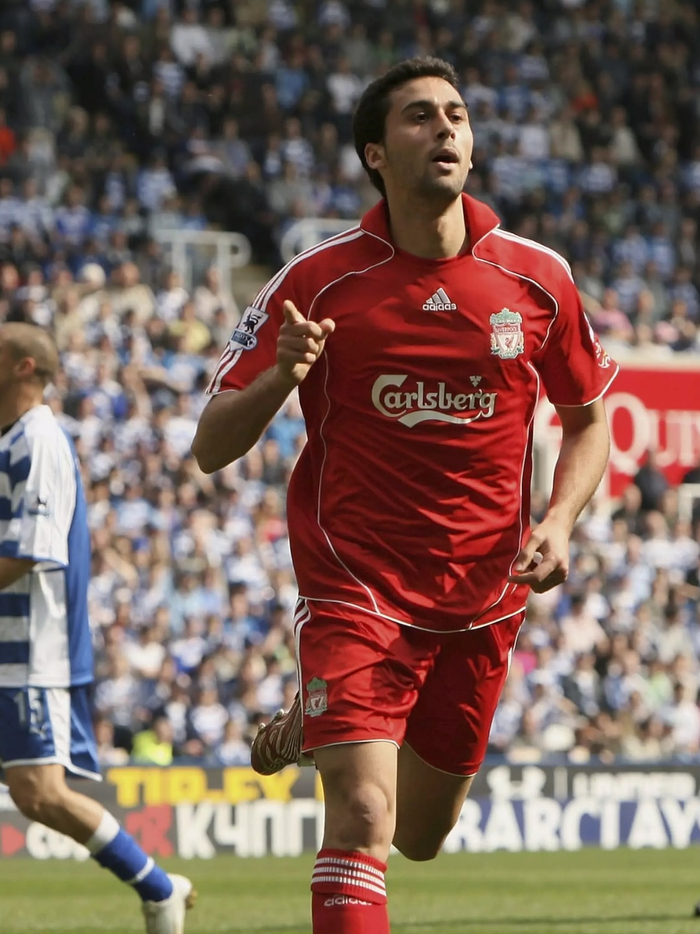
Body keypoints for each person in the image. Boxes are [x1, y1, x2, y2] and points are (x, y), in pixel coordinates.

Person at [193, 57, 617, 934]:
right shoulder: (317, 282)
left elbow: (588, 421)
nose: (446, 128)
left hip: (484, 594)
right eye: (420, 116)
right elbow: (211, 445)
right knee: (363, 819)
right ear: (376, 154)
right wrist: (281, 377)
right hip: (356, 586)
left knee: (420, 835)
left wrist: (560, 520)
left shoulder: (538, 278)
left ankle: (314, 724)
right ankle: (338, 720)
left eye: (456, 114)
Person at [0, 323, 195, 934]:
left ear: (23, 367)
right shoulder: (9, 437)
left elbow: (27, 552)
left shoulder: (38, 440)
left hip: (31, 650)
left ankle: (159, 887)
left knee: (39, 793)